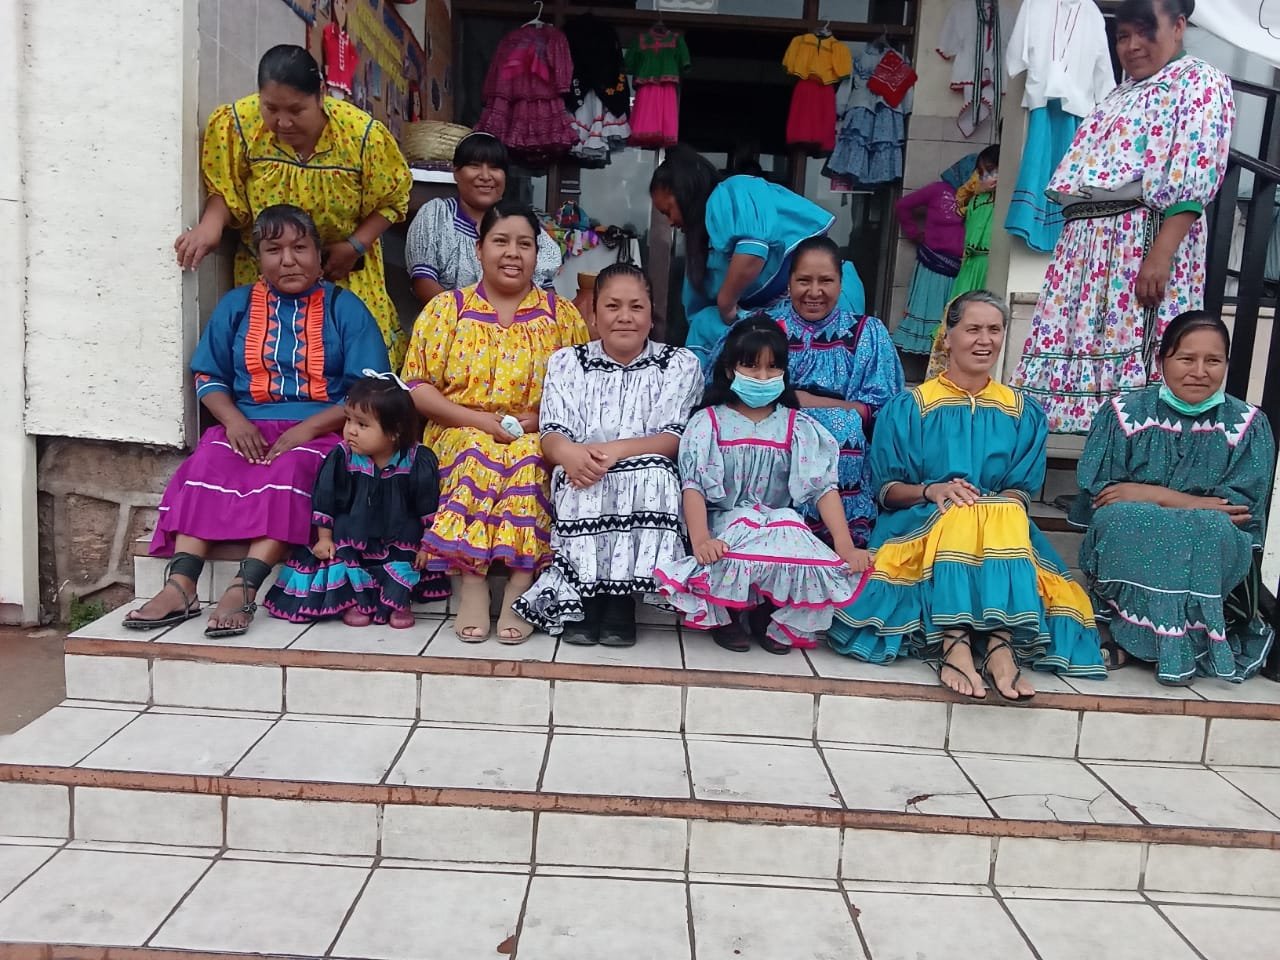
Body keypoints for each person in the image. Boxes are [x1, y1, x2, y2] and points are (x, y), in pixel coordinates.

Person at [828, 292, 1107, 700]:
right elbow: (887, 491)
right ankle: (959, 642)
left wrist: (988, 509)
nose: (985, 340)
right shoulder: (910, 407)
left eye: (994, 330)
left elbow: (1020, 490)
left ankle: (995, 645)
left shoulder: (1021, 411)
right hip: (922, 523)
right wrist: (934, 489)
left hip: (1000, 532)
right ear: (947, 337)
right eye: (973, 328)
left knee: (994, 512)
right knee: (960, 509)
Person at [129, 205, 390, 637]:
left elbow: (368, 389)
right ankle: (181, 583)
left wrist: (307, 428)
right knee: (206, 463)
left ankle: (244, 586)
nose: (288, 260)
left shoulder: (345, 309)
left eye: (300, 248)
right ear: (258, 258)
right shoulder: (236, 305)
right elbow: (208, 376)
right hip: (246, 425)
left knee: (293, 469)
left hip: (322, 428)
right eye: (274, 249)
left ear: (319, 254)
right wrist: (233, 422)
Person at [1011, 0, 1235, 435]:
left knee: (1136, 348)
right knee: (1085, 344)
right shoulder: (1122, 91)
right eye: (1122, 37)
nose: (1131, 47)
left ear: (1179, 26)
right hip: (1090, 249)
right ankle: (1093, 447)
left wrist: (1162, 254)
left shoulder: (1197, 81)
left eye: (1144, 33)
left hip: (1139, 239)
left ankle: (1131, 447)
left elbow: (1193, 172)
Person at [402, 200, 589, 643]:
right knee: (474, 452)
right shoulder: (447, 309)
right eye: (501, 241)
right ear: (479, 249)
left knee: (528, 458)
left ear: (537, 254)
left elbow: (584, 390)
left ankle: (520, 587)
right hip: (457, 429)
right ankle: (471, 581)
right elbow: (418, 388)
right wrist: (480, 422)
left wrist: (541, 420)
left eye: (525, 244)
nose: (512, 253)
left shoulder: (562, 316)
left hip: (536, 432)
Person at [175, 45, 413, 367]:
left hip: (340, 266)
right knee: (269, 358)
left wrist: (355, 245)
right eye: (270, 108)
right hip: (268, 269)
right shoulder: (239, 126)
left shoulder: (361, 136)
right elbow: (225, 186)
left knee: (352, 358)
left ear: (321, 95)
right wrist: (210, 226)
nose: (282, 122)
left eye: (296, 110)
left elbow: (393, 200)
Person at [1073, 311, 1276, 685]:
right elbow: (1104, 497)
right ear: (1161, 360)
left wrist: (1150, 496)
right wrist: (1192, 504)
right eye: (1186, 358)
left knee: (1206, 528)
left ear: (1226, 365)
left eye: (1213, 361)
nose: (1199, 371)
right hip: (1142, 529)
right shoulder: (1124, 413)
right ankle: (1138, 635)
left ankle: (1180, 642)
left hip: (1208, 534)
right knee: (1122, 520)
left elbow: (1235, 511)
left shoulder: (1247, 424)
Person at [653, 317, 870, 654]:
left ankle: (766, 609)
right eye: (751, 367)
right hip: (725, 522)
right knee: (737, 532)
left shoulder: (797, 426)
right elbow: (694, 486)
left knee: (792, 528)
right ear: (729, 369)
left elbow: (823, 488)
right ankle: (730, 611)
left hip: (775, 521)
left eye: (773, 368)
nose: (763, 377)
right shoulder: (708, 423)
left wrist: (844, 545)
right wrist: (701, 540)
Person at [513, 263, 703, 646]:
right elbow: (552, 431)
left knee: (655, 474)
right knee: (580, 478)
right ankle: (586, 595)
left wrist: (613, 452)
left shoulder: (678, 364)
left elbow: (672, 437)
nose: (625, 317)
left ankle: (620, 601)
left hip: (642, 466)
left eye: (636, 307)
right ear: (594, 315)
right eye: (613, 306)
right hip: (582, 466)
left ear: (651, 315)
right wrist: (567, 454)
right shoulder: (568, 363)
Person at [648, 144, 866, 366]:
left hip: (818, 305)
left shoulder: (734, 191)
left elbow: (753, 249)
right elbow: (699, 313)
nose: (671, 222)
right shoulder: (702, 248)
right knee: (705, 324)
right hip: (768, 320)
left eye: (668, 211)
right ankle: (702, 395)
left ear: (685, 190)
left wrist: (727, 300)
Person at [263, 373, 449, 629]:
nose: (350, 430)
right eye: (348, 419)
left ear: (395, 431)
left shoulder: (417, 460)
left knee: (404, 562)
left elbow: (427, 505)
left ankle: (398, 601)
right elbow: (326, 498)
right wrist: (325, 538)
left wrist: (428, 545)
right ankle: (355, 601)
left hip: (399, 535)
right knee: (342, 561)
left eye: (362, 425)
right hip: (353, 534)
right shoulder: (342, 456)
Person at [774, 236, 904, 548]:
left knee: (842, 425)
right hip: (773, 450)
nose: (814, 292)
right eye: (804, 280)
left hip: (847, 468)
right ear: (788, 282)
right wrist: (843, 406)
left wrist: (804, 403)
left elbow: (882, 412)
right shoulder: (763, 328)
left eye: (826, 281)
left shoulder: (867, 333)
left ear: (841, 282)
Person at [404, 132, 563, 304]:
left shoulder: (522, 222)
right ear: (456, 172)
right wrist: (471, 320)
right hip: (449, 325)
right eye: (474, 165)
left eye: (495, 167)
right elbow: (423, 282)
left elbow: (545, 288)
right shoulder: (437, 216)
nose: (486, 176)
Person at [925, 144, 1000, 379]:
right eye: (983, 172)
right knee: (955, 316)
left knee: (982, 317)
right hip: (968, 265)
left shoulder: (1004, 201)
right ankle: (944, 374)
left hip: (989, 264)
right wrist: (975, 186)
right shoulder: (977, 200)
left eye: (992, 171)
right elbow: (958, 202)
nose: (988, 177)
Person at [891, 170, 965, 357]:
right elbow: (903, 205)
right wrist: (914, 233)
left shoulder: (976, 198)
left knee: (951, 318)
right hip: (931, 265)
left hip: (960, 269)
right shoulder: (937, 190)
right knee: (928, 313)